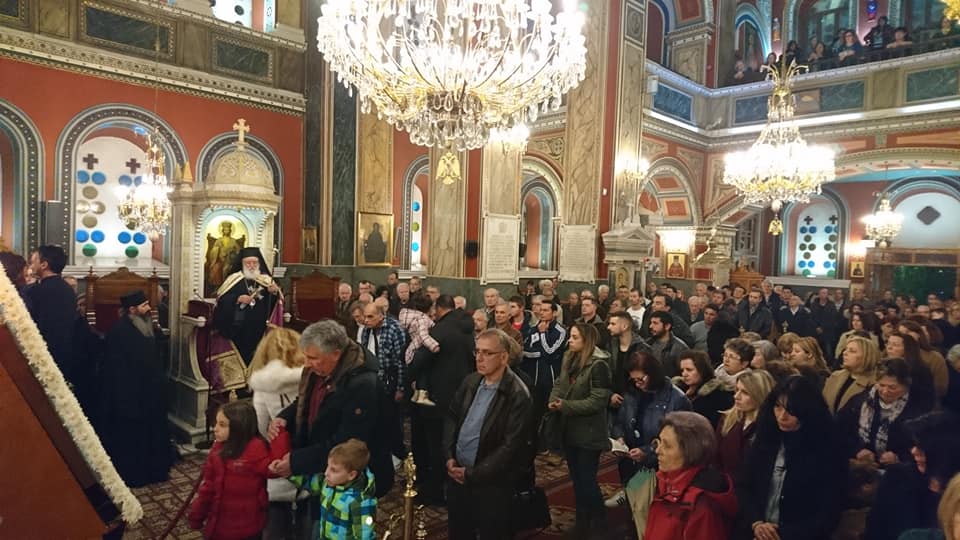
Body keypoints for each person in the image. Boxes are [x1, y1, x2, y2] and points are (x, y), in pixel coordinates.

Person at [267, 320, 393, 516]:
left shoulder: (363, 385)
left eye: (312, 358)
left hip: (347, 479)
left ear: (336, 354)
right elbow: (305, 401)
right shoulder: (320, 369)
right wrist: (284, 417)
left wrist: (297, 462)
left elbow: (348, 441)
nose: (306, 363)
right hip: (320, 464)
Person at [443, 328, 533, 540]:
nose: (479, 358)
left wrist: (472, 474)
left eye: (487, 353)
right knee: (459, 530)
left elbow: (510, 446)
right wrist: (448, 455)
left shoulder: (518, 394)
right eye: (477, 351)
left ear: (504, 357)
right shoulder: (471, 381)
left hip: (492, 484)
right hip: (458, 473)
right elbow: (452, 417)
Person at [735, 375, 846, 540]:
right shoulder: (765, 439)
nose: (782, 416)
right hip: (755, 531)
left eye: (791, 410)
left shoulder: (829, 450)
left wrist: (780, 535)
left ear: (807, 411)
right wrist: (757, 523)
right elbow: (744, 486)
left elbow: (829, 512)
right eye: (778, 407)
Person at [98, 290, 176, 488]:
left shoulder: (147, 326)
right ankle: (137, 475)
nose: (149, 308)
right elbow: (115, 370)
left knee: (154, 432)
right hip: (131, 396)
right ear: (132, 310)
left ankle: (156, 470)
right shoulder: (119, 332)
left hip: (151, 392)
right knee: (135, 437)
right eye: (144, 305)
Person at [408, 294, 476, 506]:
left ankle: (434, 491)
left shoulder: (440, 330)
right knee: (452, 442)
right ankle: (451, 484)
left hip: (437, 397)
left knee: (435, 444)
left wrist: (409, 373)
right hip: (461, 394)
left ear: (438, 309)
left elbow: (420, 359)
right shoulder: (467, 327)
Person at [548, 323, 612, 537]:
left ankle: (600, 522)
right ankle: (582, 521)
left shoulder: (599, 365)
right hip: (570, 430)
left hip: (589, 433)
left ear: (587, 341)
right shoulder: (569, 357)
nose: (570, 340)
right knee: (576, 479)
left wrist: (566, 406)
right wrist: (553, 400)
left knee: (587, 480)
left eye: (575, 337)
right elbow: (560, 383)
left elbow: (598, 401)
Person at [607, 351, 691, 509]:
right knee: (636, 503)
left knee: (647, 508)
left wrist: (647, 451)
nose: (637, 384)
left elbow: (679, 441)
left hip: (657, 466)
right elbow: (620, 422)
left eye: (641, 379)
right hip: (631, 460)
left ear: (653, 374)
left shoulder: (676, 399)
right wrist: (620, 438)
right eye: (633, 380)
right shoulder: (632, 393)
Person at [189, 401, 280, 539]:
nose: (215, 429)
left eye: (222, 425)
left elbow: (273, 470)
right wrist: (197, 514)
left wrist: (280, 438)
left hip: (249, 526)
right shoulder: (217, 450)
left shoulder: (257, 449)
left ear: (239, 427)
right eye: (216, 423)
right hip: (220, 523)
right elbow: (208, 488)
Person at [246, 327, 306, 537]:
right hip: (308, 458)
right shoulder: (311, 377)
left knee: (276, 524)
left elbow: (262, 428)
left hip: (279, 461)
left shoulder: (263, 386)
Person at [644, 412, 738, 540]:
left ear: (690, 451)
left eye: (667, 446)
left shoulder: (702, 506)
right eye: (659, 442)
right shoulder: (666, 483)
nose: (657, 450)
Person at [837, 358, 929, 467]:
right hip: (862, 466)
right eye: (881, 385)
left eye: (892, 387)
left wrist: (899, 458)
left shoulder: (919, 409)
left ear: (906, 386)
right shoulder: (860, 401)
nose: (885, 391)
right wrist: (857, 450)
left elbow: (926, 447)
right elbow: (840, 430)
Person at [289, 439, 378, 540]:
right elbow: (309, 482)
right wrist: (289, 474)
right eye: (328, 466)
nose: (326, 473)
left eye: (334, 470)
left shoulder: (361, 502)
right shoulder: (327, 482)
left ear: (351, 475)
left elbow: (364, 536)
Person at [213, 246, 283, 365]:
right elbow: (222, 301)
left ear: (259, 263)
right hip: (238, 329)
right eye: (248, 263)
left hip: (260, 328)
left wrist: (274, 293)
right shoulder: (233, 280)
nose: (252, 266)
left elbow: (274, 305)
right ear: (242, 264)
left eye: (254, 263)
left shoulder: (266, 280)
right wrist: (237, 298)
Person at [24, 245, 77, 381]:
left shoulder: (36, 291)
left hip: (42, 353)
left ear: (44, 265)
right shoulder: (68, 289)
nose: (30, 266)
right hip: (66, 350)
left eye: (33, 262)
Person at [715, 370, 776, 480]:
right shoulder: (727, 420)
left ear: (759, 395)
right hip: (725, 485)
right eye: (737, 390)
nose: (736, 396)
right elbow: (716, 457)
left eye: (745, 392)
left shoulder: (770, 426)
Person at [398, 294, 440, 407]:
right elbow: (423, 335)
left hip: (411, 352)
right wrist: (434, 346)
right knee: (423, 373)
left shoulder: (412, 318)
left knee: (419, 375)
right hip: (417, 351)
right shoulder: (422, 319)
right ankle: (422, 396)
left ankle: (416, 395)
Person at [675, 350, 733, 428]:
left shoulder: (717, 395)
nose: (684, 374)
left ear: (702, 370)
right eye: (682, 370)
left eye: (689, 370)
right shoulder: (678, 391)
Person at [823, 336, 879, 415]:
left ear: (866, 356)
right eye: (845, 349)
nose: (844, 353)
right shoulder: (835, 376)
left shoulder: (874, 383)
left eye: (852, 351)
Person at [648, 311, 690, 378]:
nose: (650, 326)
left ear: (667, 326)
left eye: (655, 323)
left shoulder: (680, 348)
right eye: (651, 323)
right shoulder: (648, 343)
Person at [205, 220, 244, 290]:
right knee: (215, 268)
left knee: (226, 269)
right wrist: (218, 250)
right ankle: (217, 287)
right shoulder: (219, 240)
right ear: (223, 230)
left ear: (230, 231)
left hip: (229, 261)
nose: (226, 231)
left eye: (228, 230)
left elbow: (239, 251)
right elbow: (213, 251)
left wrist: (232, 253)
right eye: (225, 230)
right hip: (219, 260)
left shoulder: (233, 241)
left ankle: (226, 286)